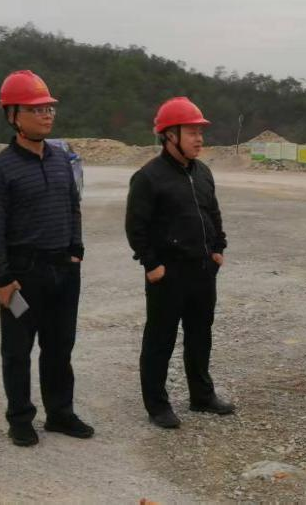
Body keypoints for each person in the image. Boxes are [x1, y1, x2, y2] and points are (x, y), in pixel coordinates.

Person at [0, 70, 93, 447]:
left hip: (63, 269)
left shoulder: (62, 160)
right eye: (36, 109)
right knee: (17, 351)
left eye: (49, 108)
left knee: (60, 347)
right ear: (13, 115)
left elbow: (73, 207)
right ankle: (20, 419)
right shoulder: (0, 169)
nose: (47, 115)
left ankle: (60, 413)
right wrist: (2, 278)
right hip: (22, 274)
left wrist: (75, 252)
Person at [125, 96, 235, 429]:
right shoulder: (148, 177)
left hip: (202, 270)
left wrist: (218, 248)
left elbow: (212, 213)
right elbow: (136, 227)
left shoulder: (202, 172)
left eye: (200, 132)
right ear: (170, 135)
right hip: (168, 275)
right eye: (192, 132)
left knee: (200, 335)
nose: (199, 139)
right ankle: (157, 405)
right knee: (160, 340)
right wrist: (151, 264)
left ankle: (202, 396)